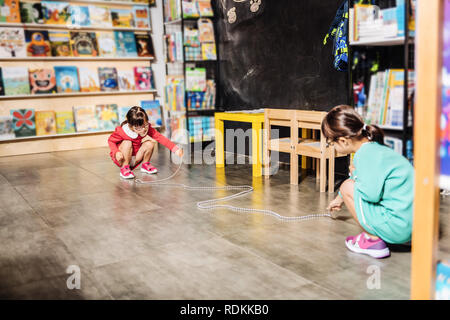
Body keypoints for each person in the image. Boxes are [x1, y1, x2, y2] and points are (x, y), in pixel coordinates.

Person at [322, 105, 414, 259]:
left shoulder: (364, 156)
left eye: (331, 143)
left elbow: (370, 195)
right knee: (347, 187)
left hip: (398, 229)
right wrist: (339, 199)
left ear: (343, 141)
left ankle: (372, 241)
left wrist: (353, 177)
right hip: (415, 227)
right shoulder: (375, 149)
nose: (332, 147)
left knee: (346, 186)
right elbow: (367, 178)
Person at [108, 106, 183, 179]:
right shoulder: (122, 131)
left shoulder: (147, 128)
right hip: (122, 158)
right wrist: (116, 152)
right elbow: (111, 141)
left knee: (150, 143)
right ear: (131, 126)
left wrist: (175, 149)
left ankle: (145, 165)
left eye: (145, 125)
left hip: (135, 158)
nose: (143, 130)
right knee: (127, 142)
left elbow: (160, 137)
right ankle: (124, 168)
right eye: (139, 128)